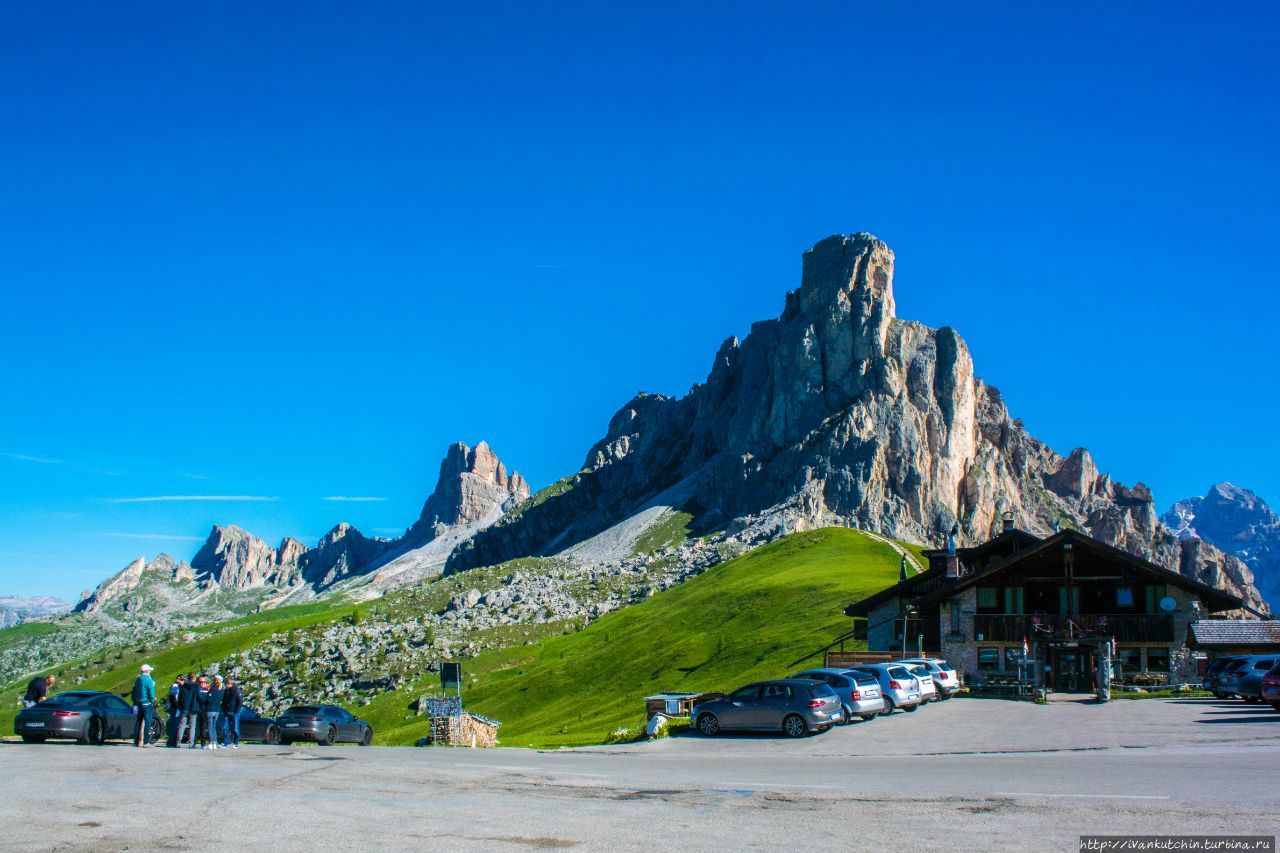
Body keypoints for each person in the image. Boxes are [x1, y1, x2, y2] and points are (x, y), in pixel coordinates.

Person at [131, 664, 157, 748]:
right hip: (147, 704)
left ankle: (135, 741)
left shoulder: (138, 679)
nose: (150, 671)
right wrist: (152, 700)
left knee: (138, 722)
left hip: (138, 704)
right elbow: (151, 692)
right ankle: (146, 742)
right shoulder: (149, 680)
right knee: (147, 723)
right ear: (147, 671)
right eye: (149, 670)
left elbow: (134, 690)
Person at [178, 671, 200, 748]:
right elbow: (199, 696)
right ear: (194, 678)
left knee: (182, 725)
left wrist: (180, 705)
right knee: (192, 726)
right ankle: (191, 743)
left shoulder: (183, 686)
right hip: (193, 707)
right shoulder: (196, 686)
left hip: (184, 707)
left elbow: (180, 697)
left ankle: (178, 742)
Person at [220, 676, 243, 749]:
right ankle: (225, 743)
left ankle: (235, 742)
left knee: (235, 728)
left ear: (229, 683)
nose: (225, 685)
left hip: (234, 712)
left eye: (226, 684)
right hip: (227, 712)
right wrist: (224, 710)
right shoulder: (226, 691)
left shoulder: (236, 690)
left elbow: (240, 702)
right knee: (225, 728)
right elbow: (224, 701)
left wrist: (236, 711)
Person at [188, 675, 211, 749]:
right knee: (196, 727)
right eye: (201, 682)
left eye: (204, 682)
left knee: (203, 727)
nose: (203, 683)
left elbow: (208, 698)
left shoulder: (207, 689)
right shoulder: (196, 688)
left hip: (204, 710)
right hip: (196, 709)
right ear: (198, 682)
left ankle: (203, 743)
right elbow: (201, 697)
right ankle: (193, 742)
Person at [166, 674, 186, 747]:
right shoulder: (175, 685)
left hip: (177, 707)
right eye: (181, 679)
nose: (183, 681)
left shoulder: (180, 686)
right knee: (174, 724)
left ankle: (173, 741)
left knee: (176, 725)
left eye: (184, 680)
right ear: (178, 679)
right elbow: (173, 697)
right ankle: (171, 742)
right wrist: (177, 706)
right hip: (175, 708)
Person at [205, 676, 224, 750]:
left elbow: (209, 699)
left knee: (209, 727)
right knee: (214, 727)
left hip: (210, 709)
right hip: (217, 710)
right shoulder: (222, 689)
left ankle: (210, 742)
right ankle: (215, 743)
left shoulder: (213, 689)